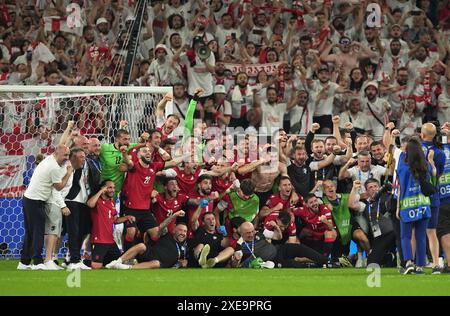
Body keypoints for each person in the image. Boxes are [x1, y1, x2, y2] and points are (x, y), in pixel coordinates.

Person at [18, 145, 72, 270]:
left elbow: (63, 143)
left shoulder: (49, 159)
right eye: (65, 155)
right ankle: (37, 262)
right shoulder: (53, 167)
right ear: (56, 153)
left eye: (68, 155)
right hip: (35, 201)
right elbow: (59, 187)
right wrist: (68, 173)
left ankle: (24, 262)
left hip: (29, 199)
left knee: (31, 233)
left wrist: (69, 129)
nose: (67, 158)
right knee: (37, 232)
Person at [396, 137, 434, 275]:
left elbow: (400, 186)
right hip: (423, 205)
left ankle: (408, 263)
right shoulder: (426, 165)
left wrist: (398, 208)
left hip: (407, 205)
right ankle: (420, 266)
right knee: (421, 236)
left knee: (405, 236)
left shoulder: (402, 164)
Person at [231, 222, 328, 268]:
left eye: (252, 231)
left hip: (279, 249)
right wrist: (236, 259)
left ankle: (327, 262)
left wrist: (276, 227)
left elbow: (277, 237)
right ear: (242, 233)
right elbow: (236, 265)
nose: (252, 234)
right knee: (293, 264)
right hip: (272, 261)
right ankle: (315, 267)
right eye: (248, 233)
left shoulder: (260, 232)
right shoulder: (240, 245)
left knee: (300, 248)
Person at [87, 180, 136, 269]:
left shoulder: (112, 202)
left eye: (113, 187)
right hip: (99, 240)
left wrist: (127, 217)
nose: (112, 190)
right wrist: (100, 191)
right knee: (96, 266)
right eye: (110, 187)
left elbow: (115, 220)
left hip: (110, 241)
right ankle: (82, 262)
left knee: (117, 263)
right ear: (104, 189)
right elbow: (90, 204)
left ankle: (98, 260)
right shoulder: (97, 200)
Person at [348, 179, 396, 267]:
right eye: (370, 187)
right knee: (371, 262)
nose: (374, 189)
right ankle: (389, 257)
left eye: (375, 186)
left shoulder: (388, 198)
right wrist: (354, 188)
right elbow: (351, 205)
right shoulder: (366, 205)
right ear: (366, 191)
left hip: (393, 231)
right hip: (378, 237)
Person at [106, 220, 188, 270]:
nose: (183, 233)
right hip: (150, 253)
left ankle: (126, 268)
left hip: (160, 263)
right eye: (180, 230)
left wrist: (183, 263)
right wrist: (174, 215)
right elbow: (161, 226)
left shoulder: (185, 245)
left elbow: (184, 261)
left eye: (185, 231)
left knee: (156, 263)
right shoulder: (166, 234)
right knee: (142, 245)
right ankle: (117, 262)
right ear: (174, 230)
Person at [420, 122, 446, 274]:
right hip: (434, 195)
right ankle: (436, 263)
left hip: (416, 195)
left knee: (416, 232)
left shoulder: (415, 150)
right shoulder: (440, 153)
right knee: (432, 231)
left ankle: (417, 264)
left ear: (422, 135)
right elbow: (439, 174)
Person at [294, 194, 337, 261]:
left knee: (330, 232)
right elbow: (290, 210)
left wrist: (325, 221)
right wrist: (291, 216)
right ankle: (299, 256)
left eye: (315, 201)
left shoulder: (324, 209)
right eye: (311, 202)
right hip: (310, 237)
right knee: (302, 232)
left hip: (322, 238)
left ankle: (324, 259)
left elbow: (331, 227)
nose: (314, 204)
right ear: (306, 205)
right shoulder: (302, 210)